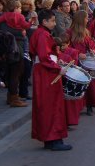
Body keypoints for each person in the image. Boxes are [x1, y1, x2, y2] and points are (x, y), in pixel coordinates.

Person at [29, 9, 71, 150]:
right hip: (46, 74)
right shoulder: (42, 35)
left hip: (45, 72)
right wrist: (58, 68)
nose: (54, 23)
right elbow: (44, 57)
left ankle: (49, 138)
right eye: (52, 21)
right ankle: (53, 138)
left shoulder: (42, 33)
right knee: (51, 106)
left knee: (47, 105)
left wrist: (57, 63)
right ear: (44, 22)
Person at [68, 10, 95, 116]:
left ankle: (89, 106)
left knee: (89, 85)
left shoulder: (86, 32)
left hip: (86, 63)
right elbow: (66, 48)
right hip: (75, 63)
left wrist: (93, 50)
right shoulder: (69, 32)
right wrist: (77, 54)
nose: (88, 20)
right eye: (86, 18)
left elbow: (91, 45)